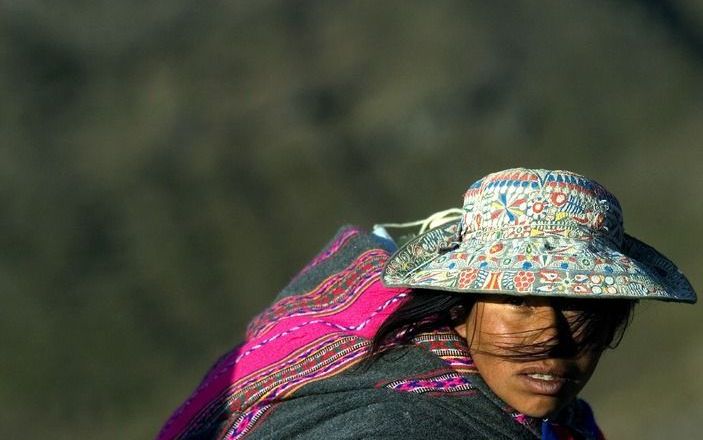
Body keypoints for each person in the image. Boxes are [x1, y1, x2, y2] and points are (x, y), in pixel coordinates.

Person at [157, 168, 696, 440]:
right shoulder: (408, 425)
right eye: (520, 302)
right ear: (460, 308)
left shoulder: (558, 421)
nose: (552, 338)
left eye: (583, 309)